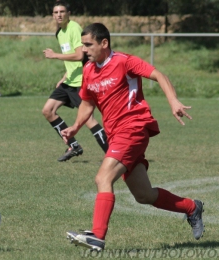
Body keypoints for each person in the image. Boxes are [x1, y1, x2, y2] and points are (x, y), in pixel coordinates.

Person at [62, 23, 205, 251]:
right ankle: (191, 207)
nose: (84, 50)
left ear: (104, 43)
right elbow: (87, 104)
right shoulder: (89, 70)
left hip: (134, 128)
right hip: (116, 134)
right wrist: (75, 127)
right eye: (83, 45)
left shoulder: (124, 61)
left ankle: (97, 236)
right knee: (143, 194)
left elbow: (158, 74)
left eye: (89, 44)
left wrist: (173, 100)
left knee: (103, 178)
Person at [42, 1, 108, 162]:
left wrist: (55, 55)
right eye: (56, 12)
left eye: (62, 11)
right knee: (48, 111)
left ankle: (113, 153)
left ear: (68, 13)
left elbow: (80, 56)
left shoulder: (74, 28)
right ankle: (73, 146)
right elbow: (72, 59)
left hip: (80, 82)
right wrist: (65, 76)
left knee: (88, 120)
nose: (59, 14)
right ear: (52, 15)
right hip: (70, 81)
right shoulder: (60, 32)